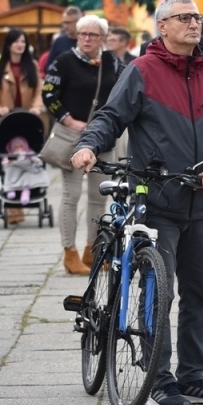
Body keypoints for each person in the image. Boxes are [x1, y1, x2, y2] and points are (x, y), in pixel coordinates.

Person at [72, 0, 203, 405]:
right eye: (184, 17)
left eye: (197, 17)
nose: (194, 23)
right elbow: (110, 117)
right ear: (162, 26)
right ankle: (158, 379)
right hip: (156, 199)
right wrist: (89, 146)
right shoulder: (142, 71)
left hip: (200, 202)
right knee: (157, 290)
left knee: (200, 290)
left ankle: (193, 377)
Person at [42, 14, 121, 271]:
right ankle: (69, 252)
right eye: (83, 34)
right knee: (71, 195)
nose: (87, 39)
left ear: (103, 39)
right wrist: (69, 120)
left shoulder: (112, 62)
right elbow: (49, 94)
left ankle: (93, 249)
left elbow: (123, 90)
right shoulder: (63, 61)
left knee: (99, 197)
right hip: (73, 138)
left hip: (103, 139)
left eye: (93, 35)